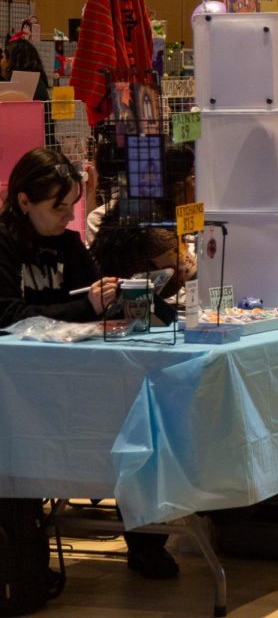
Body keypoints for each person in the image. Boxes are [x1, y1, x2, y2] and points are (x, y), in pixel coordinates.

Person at [0, 148, 180, 579]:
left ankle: (146, 540)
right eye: (58, 207)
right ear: (24, 201)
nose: (68, 216)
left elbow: (96, 297)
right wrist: (86, 307)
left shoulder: (68, 243)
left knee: (140, 426)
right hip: (18, 386)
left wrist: (135, 300)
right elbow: (7, 314)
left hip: (79, 375)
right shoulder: (3, 244)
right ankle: (24, 557)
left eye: (72, 206)